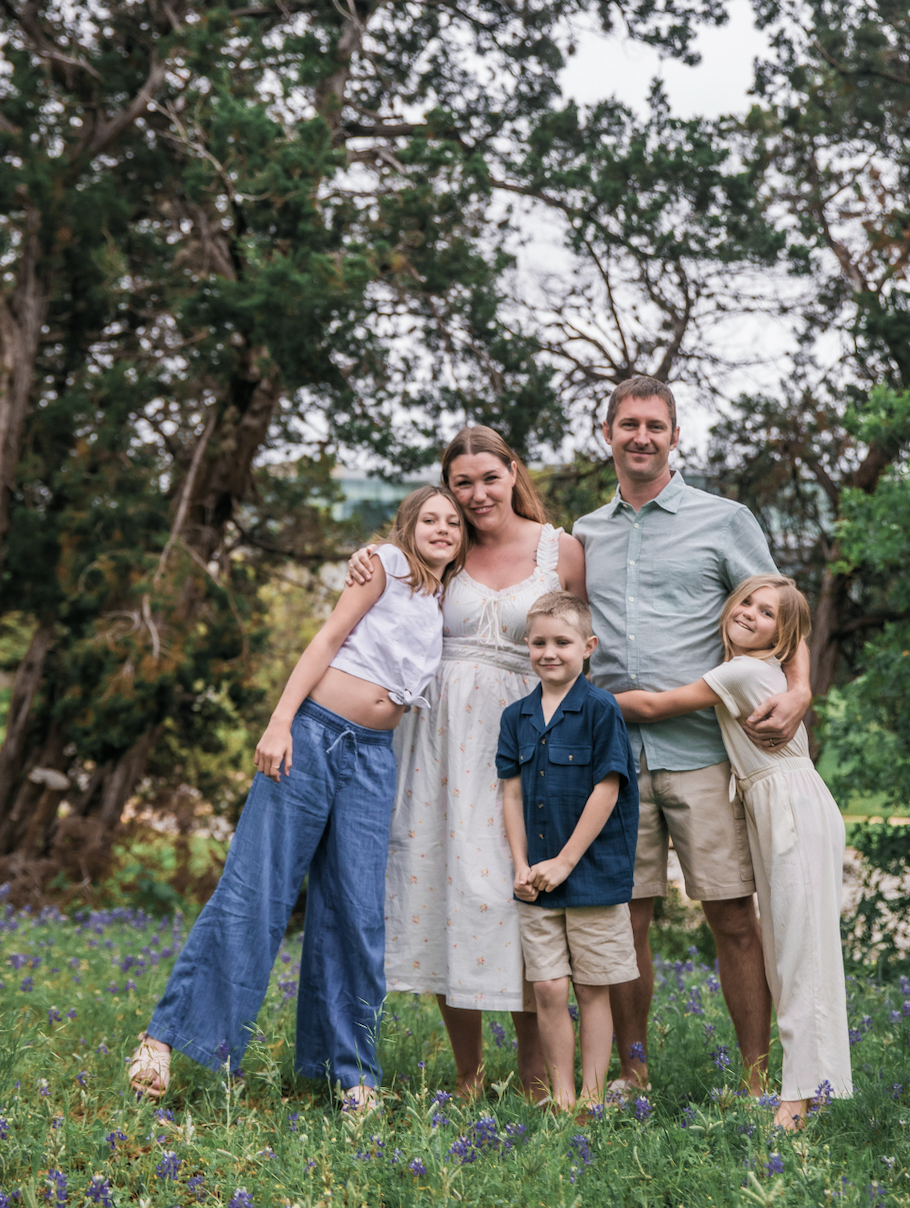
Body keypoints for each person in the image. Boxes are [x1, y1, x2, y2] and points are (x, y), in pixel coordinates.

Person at [128, 486, 466, 1105]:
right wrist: (280, 721)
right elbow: (328, 639)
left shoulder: (446, 594)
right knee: (257, 890)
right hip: (313, 737)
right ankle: (163, 1040)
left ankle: (350, 1076)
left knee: (356, 915)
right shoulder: (386, 565)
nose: (442, 528)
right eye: (430, 518)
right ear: (406, 525)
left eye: (454, 522)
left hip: (372, 760)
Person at [573, 375, 813, 1095]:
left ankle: (756, 1075)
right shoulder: (587, 533)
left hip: (706, 751)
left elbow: (785, 609)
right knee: (627, 920)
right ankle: (633, 1071)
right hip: (615, 757)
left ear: (675, 436)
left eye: (655, 424)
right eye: (628, 424)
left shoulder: (724, 519)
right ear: (608, 435)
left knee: (733, 914)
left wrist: (800, 690)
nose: (641, 436)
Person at [347, 426, 586, 1099]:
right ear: (447, 488)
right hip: (434, 742)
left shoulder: (558, 550)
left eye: (488, 477)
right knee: (443, 889)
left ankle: (538, 1075)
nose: (477, 494)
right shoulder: (444, 550)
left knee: (512, 895)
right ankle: (470, 1074)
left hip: (521, 738)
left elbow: (585, 647)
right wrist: (364, 559)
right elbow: (389, 583)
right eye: (462, 483)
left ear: (513, 473)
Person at [614, 574, 851, 1129]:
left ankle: (795, 1098)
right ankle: (809, 1086)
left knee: (799, 951)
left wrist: (571, 692)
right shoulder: (749, 669)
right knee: (790, 949)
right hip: (773, 805)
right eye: (746, 601)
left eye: (767, 613)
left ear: (784, 638)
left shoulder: (742, 670)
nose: (749, 613)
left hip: (791, 805)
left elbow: (651, 705)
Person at [499, 592, 639, 1112]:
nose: (549, 652)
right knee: (549, 989)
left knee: (592, 988)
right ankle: (560, 1097)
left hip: (591, 874)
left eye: (562, 641)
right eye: (539, 642)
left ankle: (592, 1097)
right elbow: (511, 792)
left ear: (589, 646)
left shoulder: (601, 709)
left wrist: (566, 861)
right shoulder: (515, 716)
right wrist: (520, 865)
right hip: (533, 877)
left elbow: (608, 787)